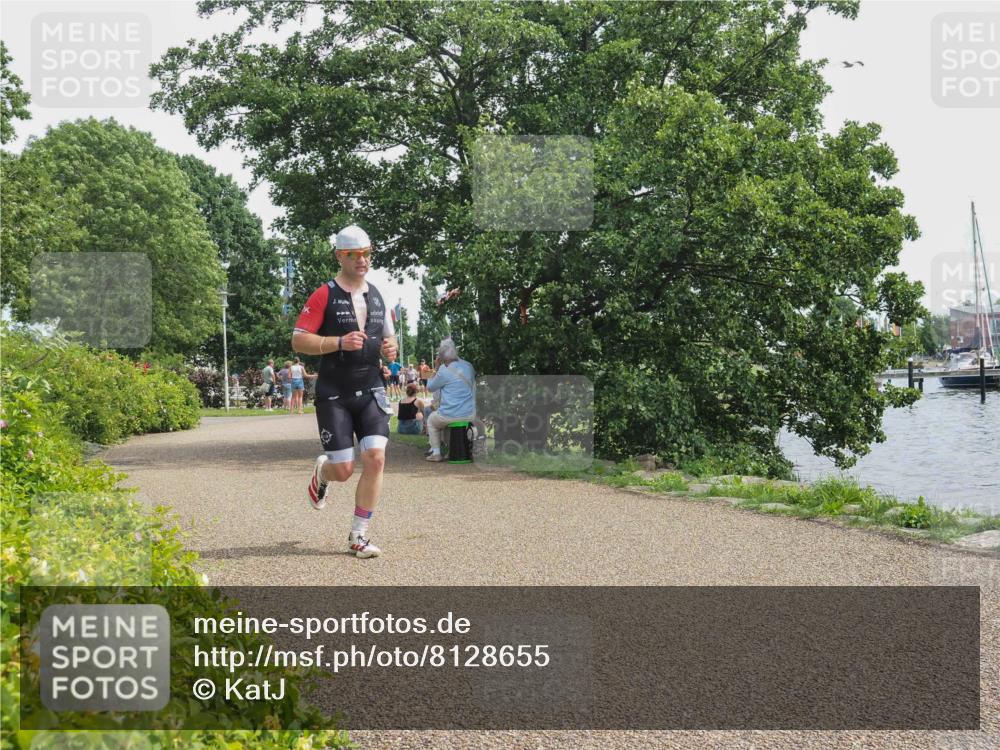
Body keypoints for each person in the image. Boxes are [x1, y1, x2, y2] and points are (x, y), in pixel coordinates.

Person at [292, 224, 397, 558]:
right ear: (340, 256)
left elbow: (389, 337)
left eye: (367, 253)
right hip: (334, 392)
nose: (362, 260)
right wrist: (337, 341)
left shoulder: (379, 294)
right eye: (354, 255)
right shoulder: (324, 294)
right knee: (344, 470)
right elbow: (298, 339)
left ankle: (358, 536)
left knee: (376, 458)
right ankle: (323, 472)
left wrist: (391, 348)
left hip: (371, 388)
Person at [425, 338, 476, 462]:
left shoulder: (443, 370)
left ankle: (436, 453)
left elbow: (430, 387)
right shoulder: (468, 366)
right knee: (447, 421)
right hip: (470, 413)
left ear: (441, 356)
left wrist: (435, 368)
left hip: (450, 414)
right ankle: (451, 451)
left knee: (432, 420)